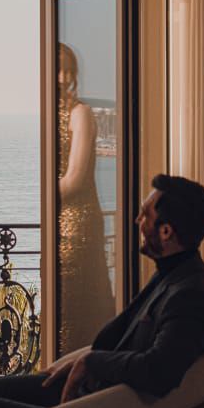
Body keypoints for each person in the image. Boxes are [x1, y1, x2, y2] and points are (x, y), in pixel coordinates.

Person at [0, 174, 204, 408]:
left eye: (145, 216)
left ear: (165, 231)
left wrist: (93, 362)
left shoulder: (190, 295)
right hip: (91, 389)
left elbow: (159, 371)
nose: (138, 221)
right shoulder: (173, 274)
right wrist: (77, 361)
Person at [56, 43, 116, 351]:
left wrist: (39, 198)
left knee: (77, 309)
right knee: (58, 310)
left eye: (70, 70)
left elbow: (75, 180)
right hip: (55, 226)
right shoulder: (46, 116)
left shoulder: (80, 114)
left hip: (77, 226)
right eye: (58, 69)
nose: (64, 77)